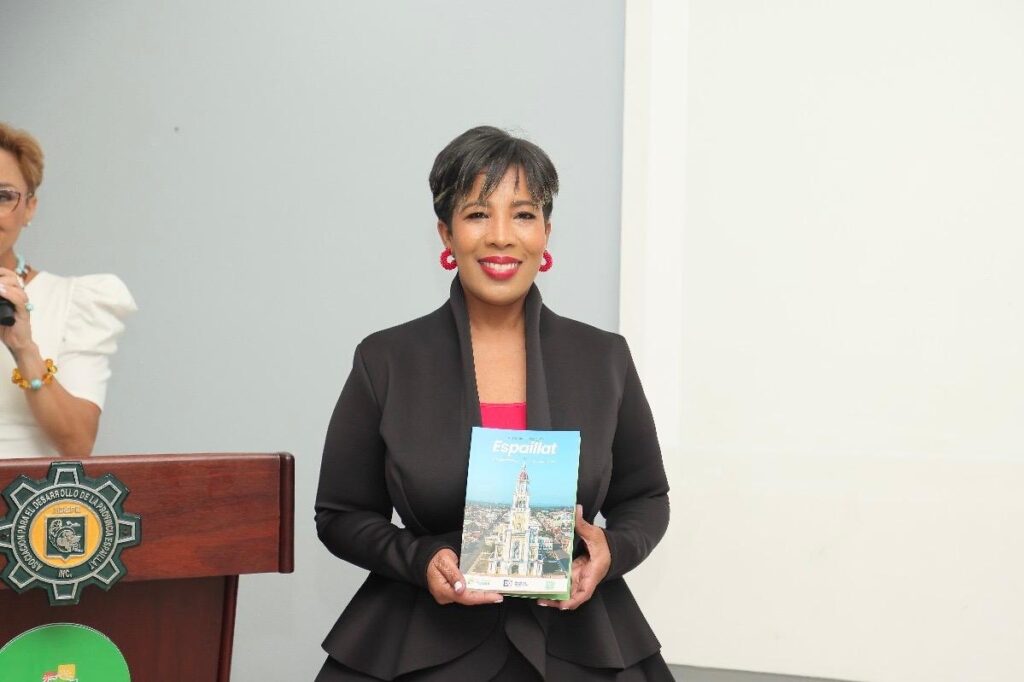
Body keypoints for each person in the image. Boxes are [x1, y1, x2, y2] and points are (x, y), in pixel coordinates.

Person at [315, 126, 671, 681]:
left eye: (523, 214)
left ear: (546, 232)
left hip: (578, 641)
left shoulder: (605, 358)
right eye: (478, 214)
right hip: (423, 643)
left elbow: (646, 496)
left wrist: (610, 551)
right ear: (447, 233)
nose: (501, 236)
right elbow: (340, 515)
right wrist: (420, 560)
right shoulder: (386, 360)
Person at [0, 122, 136, 458]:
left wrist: (24, 348)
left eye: (3, 196)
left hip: (27, 491)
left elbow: (77, 444)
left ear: (30, 207)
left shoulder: (75, 302)